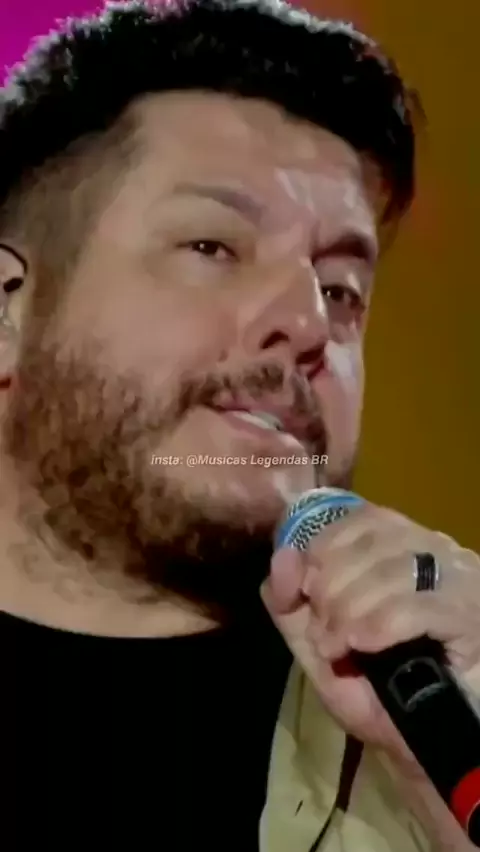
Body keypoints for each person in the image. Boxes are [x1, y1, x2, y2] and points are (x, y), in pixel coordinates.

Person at [0, 0, 479, 849]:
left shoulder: (435, 719)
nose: (308, 322)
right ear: (9, 310)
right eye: (212, 248)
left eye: (341, 290)